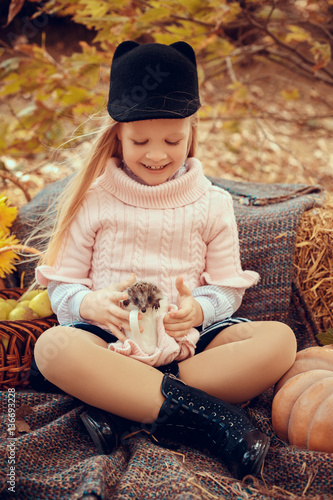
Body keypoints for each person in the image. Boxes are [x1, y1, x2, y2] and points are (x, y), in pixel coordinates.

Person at [32, 41, 297, 480]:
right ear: (117, 134)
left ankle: (123, 409)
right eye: (141, 140)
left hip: (187, 342)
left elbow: (227, 288)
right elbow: (62, 284)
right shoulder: (94, 200)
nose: (157, 154)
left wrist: (201, 308)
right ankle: (220, 422)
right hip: (109, 343)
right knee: (54, 347)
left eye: (172, 139)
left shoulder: (212, 203)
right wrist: (89, 304)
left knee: (280, 342)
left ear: (192, 131)